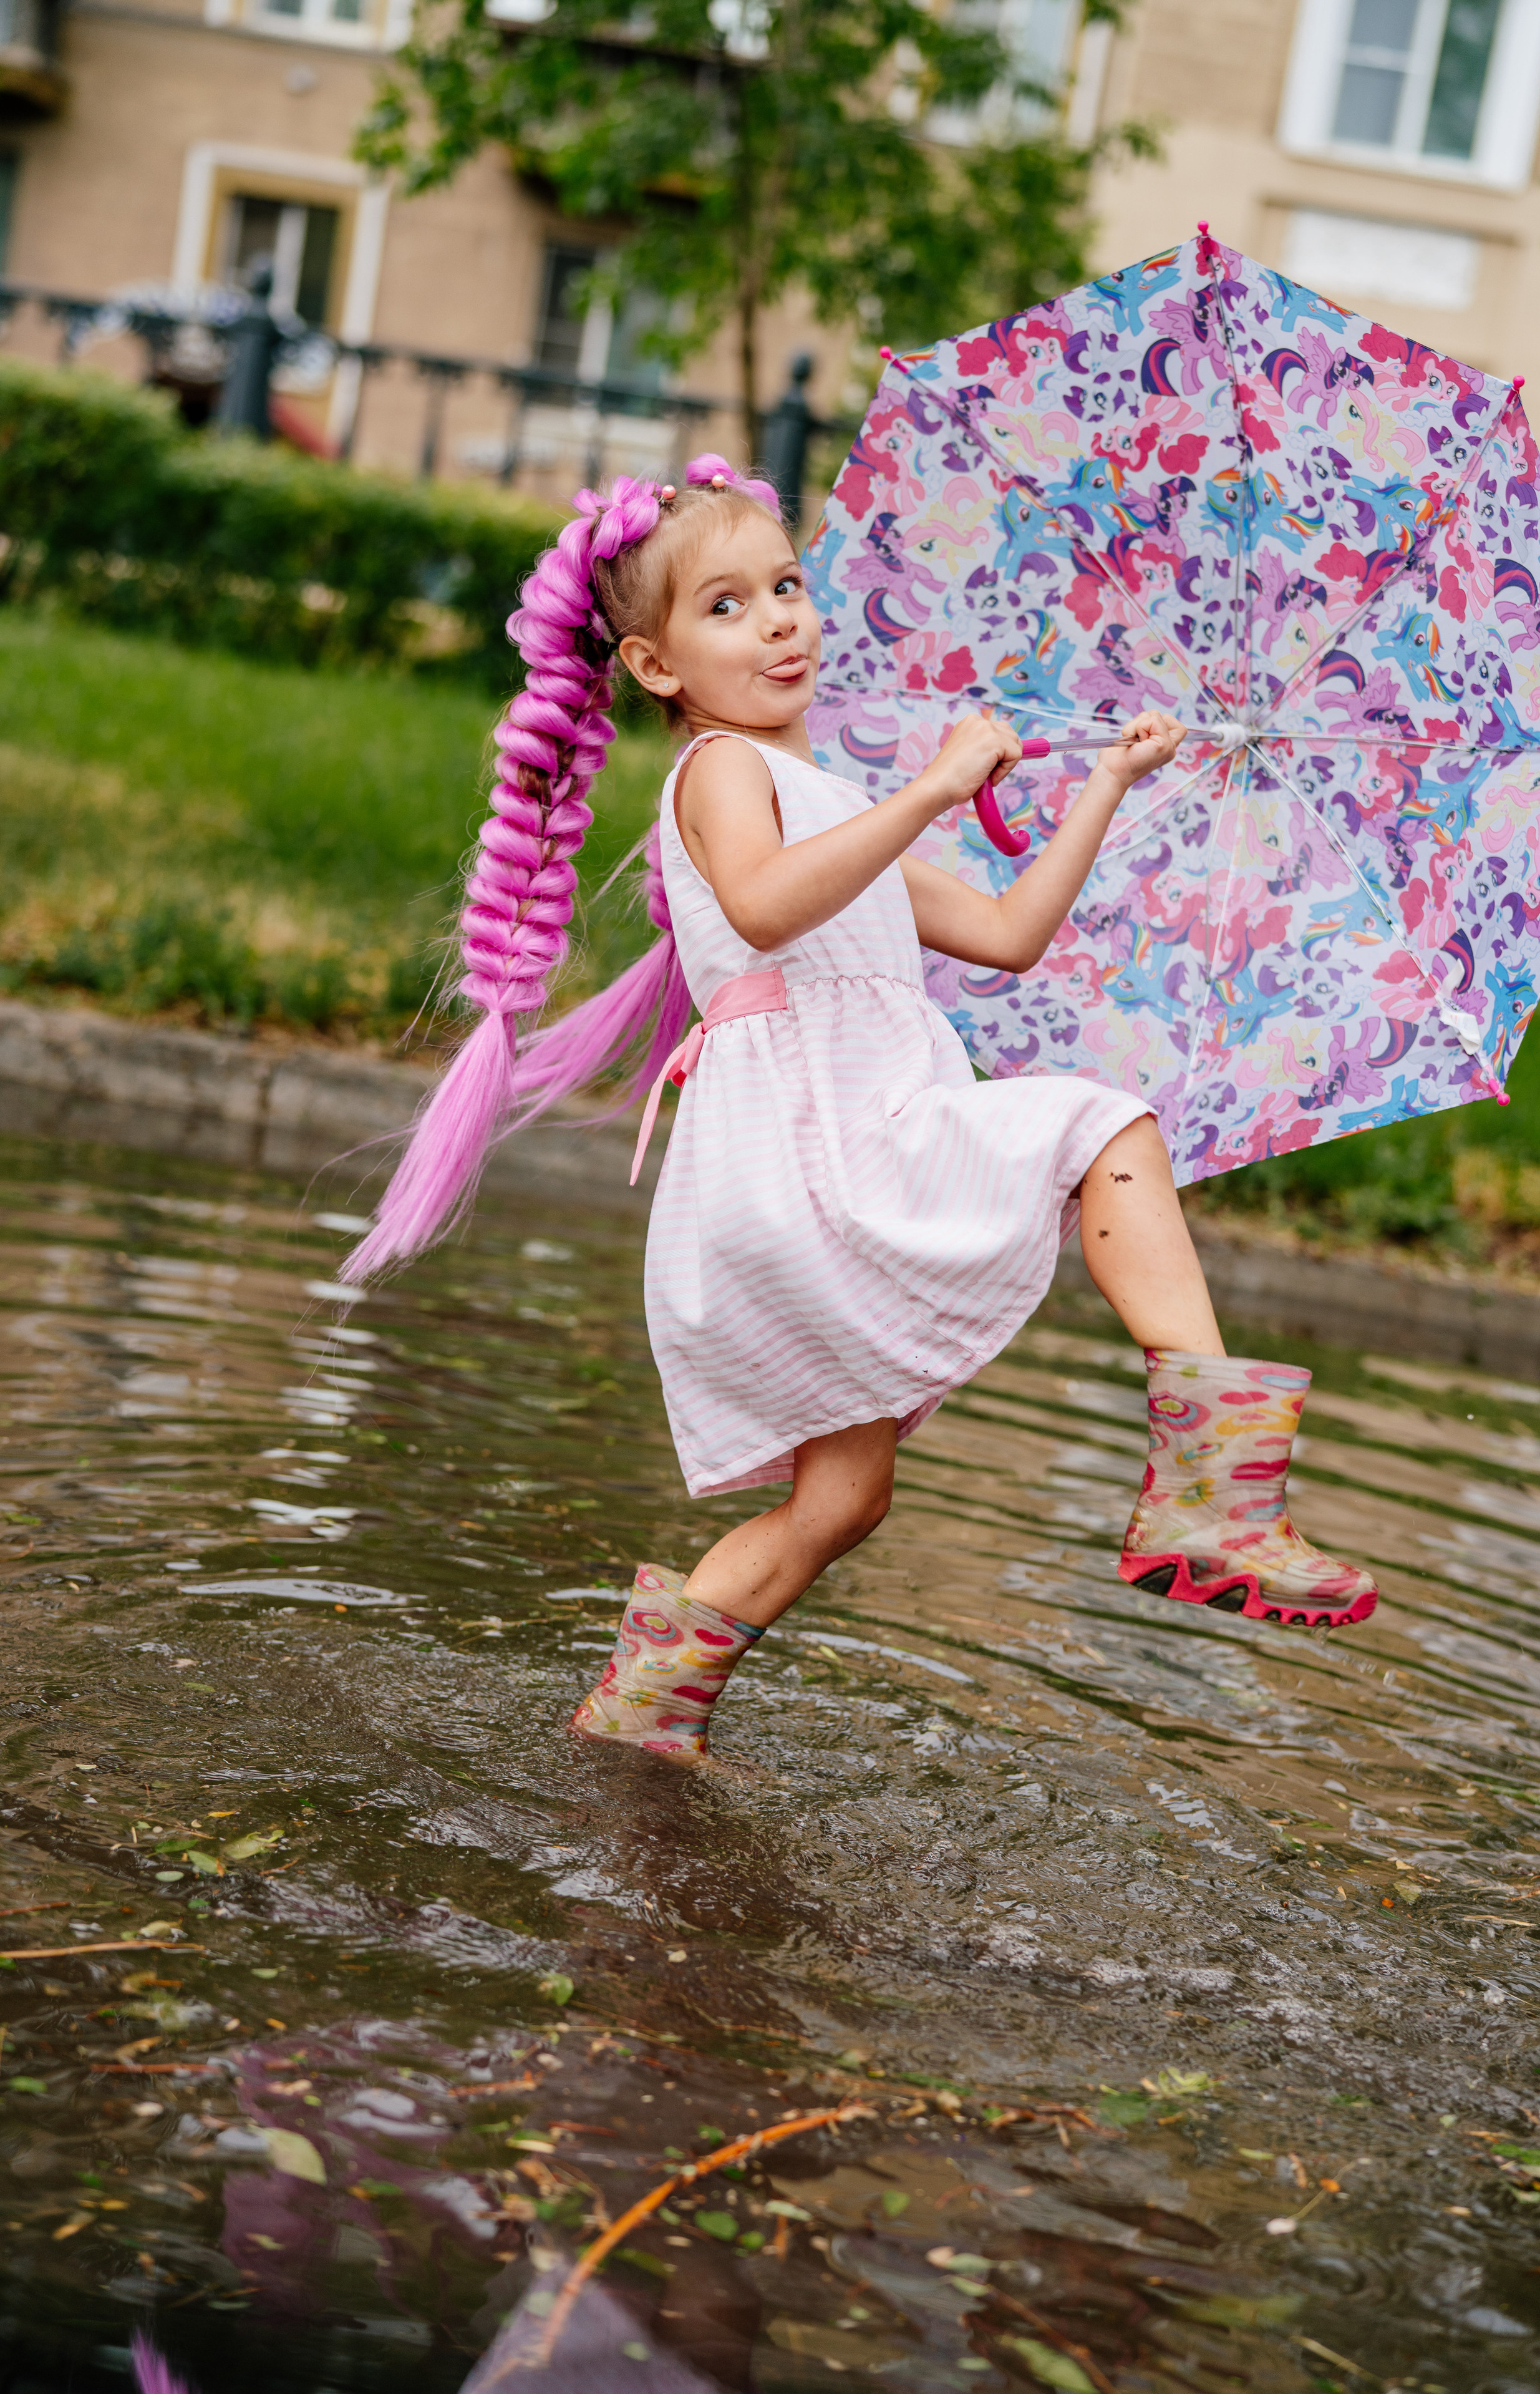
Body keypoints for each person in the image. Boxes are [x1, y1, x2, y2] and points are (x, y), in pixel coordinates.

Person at [341, 455, 1377, 1760]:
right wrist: (936, 786)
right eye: (726, 606)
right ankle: (1210, 1497)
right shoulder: (720, 773)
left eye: (784, 583)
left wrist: (1106, 782)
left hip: (822, 1146)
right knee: (1104, 1128)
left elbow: (1004, 933)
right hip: (815, 1146)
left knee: (842, 1499)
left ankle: (630, 1727)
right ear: (657, 667)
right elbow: (768, 903)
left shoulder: (831, 798)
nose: (778, 618)